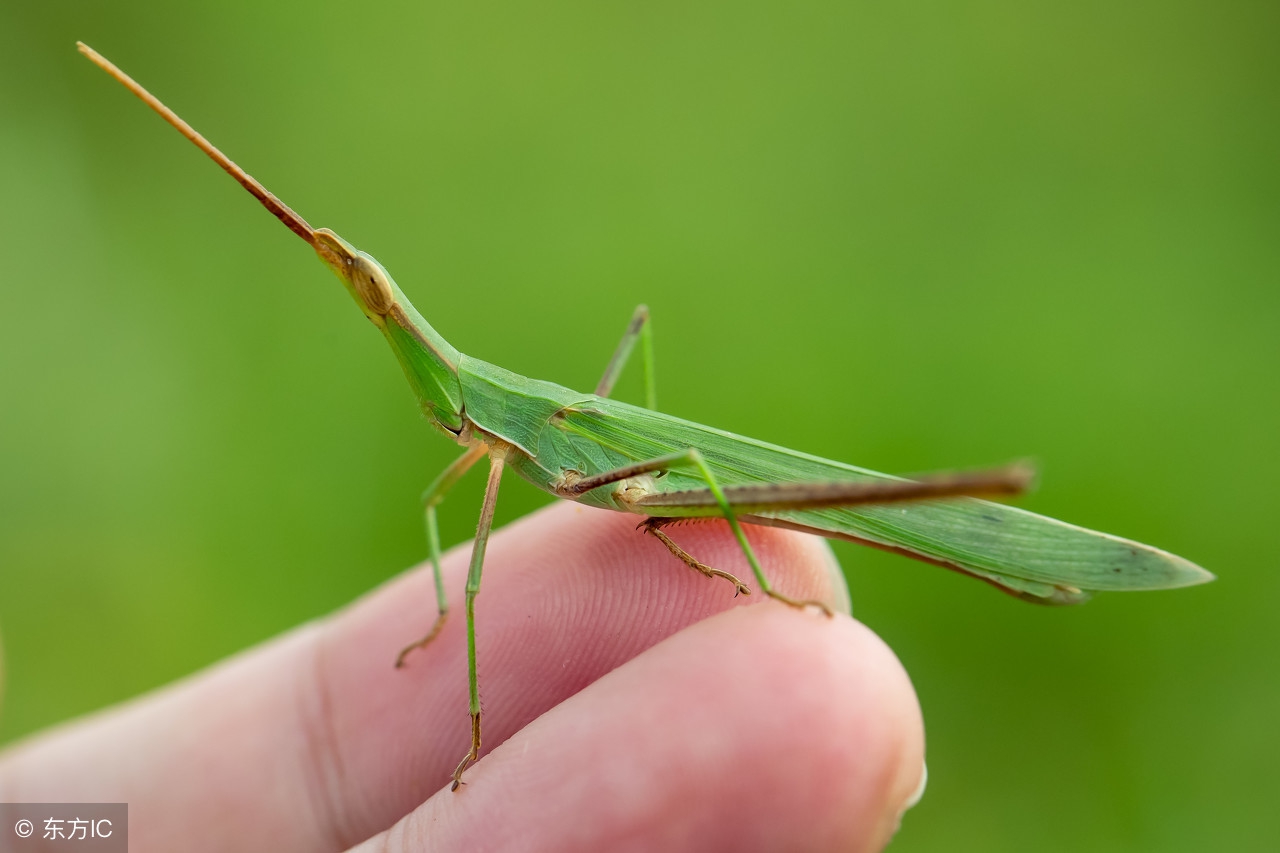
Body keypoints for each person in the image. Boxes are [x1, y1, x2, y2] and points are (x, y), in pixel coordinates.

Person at [0, 503, 925, 851]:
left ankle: (767, 576)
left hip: (643, 468)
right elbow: (54, 830)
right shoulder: (37, 825)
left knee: (490, 577)